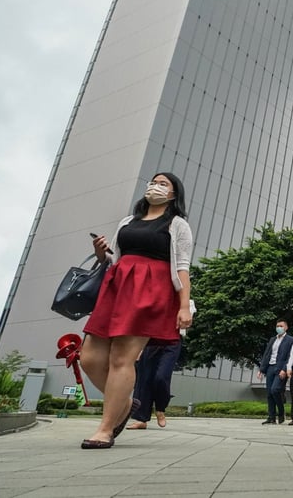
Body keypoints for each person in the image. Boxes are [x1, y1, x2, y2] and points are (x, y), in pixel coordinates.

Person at [79, 173, 194, 449]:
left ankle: (106, 429)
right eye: (153, 181)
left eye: (163, 183)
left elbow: (182, 267)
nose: (155, 186)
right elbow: (115, 259)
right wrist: (100, 253)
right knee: (89, 358)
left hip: (149, 290)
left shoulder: (178, 225)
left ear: (174, 194)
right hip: (117, 287)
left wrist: (183, 306)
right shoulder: (127, 222)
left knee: (122, 359)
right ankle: (126, 402)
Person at [124, 339, 180, 430]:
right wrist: (139, 348)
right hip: (150, 341)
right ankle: (141, 420)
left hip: (172, 340)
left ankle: (160, 409)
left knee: (161, 377)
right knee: (144, 379)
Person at [257, 319, 293, 424]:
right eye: (277, 326)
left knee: (275, 390)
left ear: (286, 327)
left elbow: (290, 356)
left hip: (281, 368)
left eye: (281, 326)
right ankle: (271, 417)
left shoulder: (290, 340)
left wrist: (285, 369)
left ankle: (281, 412)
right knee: (269, 393)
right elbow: (266, 354)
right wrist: (261, 369)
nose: (279, 328)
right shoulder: (272, 339)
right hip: (270, 367)